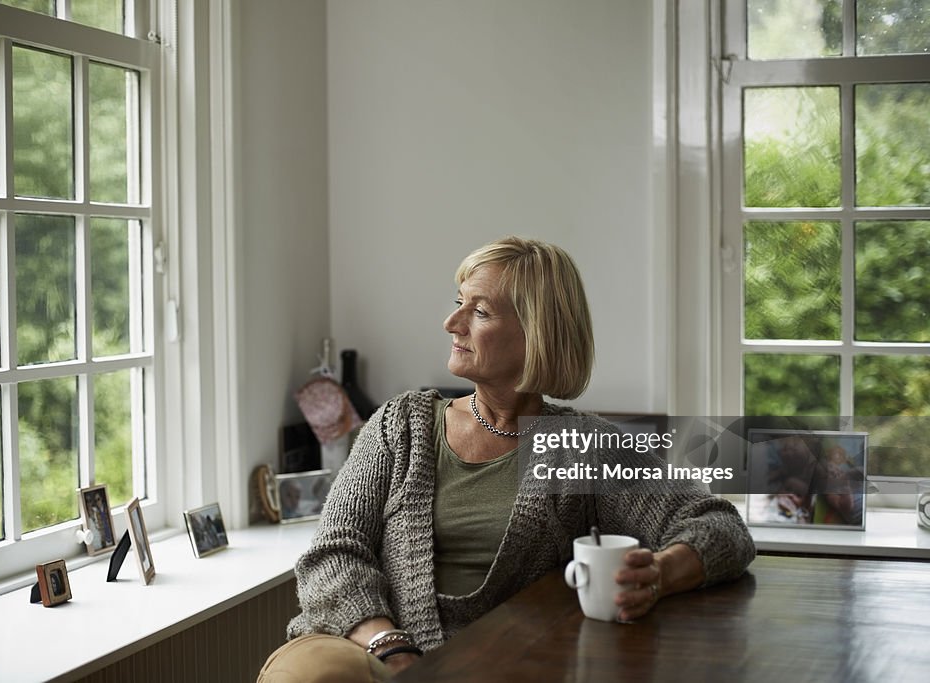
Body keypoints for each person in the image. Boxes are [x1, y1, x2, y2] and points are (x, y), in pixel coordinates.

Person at [257, 237, 756, 682]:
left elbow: (719, 526)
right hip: (371, 655)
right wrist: (395, 650)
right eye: (459, 304)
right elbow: (332, 555)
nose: (451, 323)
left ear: (537, 332)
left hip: (509, 664)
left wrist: (660, 575)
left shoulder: (582, 446)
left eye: (480, 312)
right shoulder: (400, 426)